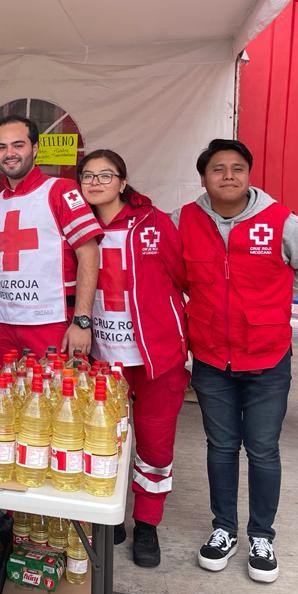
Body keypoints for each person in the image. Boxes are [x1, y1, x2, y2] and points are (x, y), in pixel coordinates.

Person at [175, 138, 298, 583]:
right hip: (209, 358)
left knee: (263, 450)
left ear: (249, 174)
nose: (228, 176)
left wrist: (275, 296)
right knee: (221, 448)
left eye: (237, 168)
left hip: (266, 358)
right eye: (218, 168)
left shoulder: (281, 221)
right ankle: (223, 529)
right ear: (204, 177)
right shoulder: (184, 219)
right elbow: (175, 270)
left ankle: (262, 535)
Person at [78, 149, 188, 568]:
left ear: (123, 182)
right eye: (88, 175)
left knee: (155, 443)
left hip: (155, 356)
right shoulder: (75, 226)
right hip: (101, 359)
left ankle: (148, 523)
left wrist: (177, 334)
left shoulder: (154, 224)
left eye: (106, 175)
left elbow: (182, 278)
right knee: (103, 441)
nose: (97, 182)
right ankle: (112, 516)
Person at [0, 115, 102, 356]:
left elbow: (89, 253)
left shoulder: (60, 191)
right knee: (2, 393)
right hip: (4, 324)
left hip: (52, 322)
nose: (9, 153)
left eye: (18, 145)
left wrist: (82, 321)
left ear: (35, 148)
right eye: (2, 147)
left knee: (54, 393)